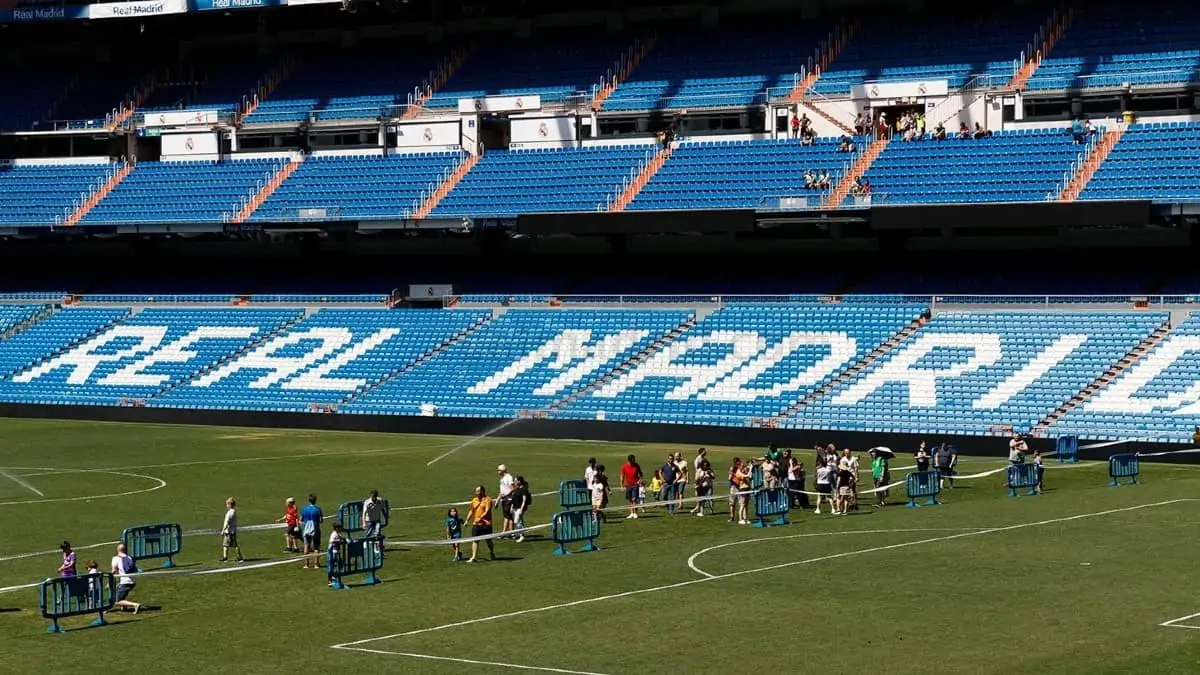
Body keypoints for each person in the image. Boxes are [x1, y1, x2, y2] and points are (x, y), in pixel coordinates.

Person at [465, 485, 495, 563]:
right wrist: (467, 520)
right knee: (475, 540)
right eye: (476, 491)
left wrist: (480, 518)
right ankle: (474, 557)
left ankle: (492, 552)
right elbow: (471, 511)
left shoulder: (488, 499)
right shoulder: (474, 500)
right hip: (476, 524)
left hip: (486, 524)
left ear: (482, 491)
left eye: (478, 491)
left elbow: (487, 510)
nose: (477, 493)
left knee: (488, 541)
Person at [110, 543, 142, 613]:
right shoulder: (130, 557)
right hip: (133, 581)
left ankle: (135, 605)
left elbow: (113, 571)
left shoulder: (115, 558)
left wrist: (109, 580)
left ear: (117, 550)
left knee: (116, 601)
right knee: (120, 593)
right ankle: (124, 607)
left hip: (125, 581)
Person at [300, 493, 324, 570]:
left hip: (306, 528)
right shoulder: (318, 509)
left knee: (306, 546)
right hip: (315, 528)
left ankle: (306, 564)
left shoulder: (304, 509)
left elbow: (301, 519)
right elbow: (321, 520)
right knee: (316, 547)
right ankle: (316, 564)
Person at [219, 497, 244, 564]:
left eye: (227, 504)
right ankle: (225, 557)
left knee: (234, 544)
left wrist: (223, 530)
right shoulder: (232, 511)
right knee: (225, 544)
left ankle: (239, 557)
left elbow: (227, 522)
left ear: (230, 505)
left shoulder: (231, 513)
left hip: (230, 531)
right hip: (229, 531)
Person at [362, 489, 386, 555]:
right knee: (368, 534)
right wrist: (364, 523)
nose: (374, 498)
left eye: (375, 496)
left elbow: (382, 509)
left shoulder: (380, 501)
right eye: (373, 496)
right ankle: (365, 543)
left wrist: (385, 515)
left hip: (377, 520)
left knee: (377, 533)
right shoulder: (367, 502)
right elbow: (364, 513)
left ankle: (376, 547)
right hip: (369, 520)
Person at [620, 454, 643, 519]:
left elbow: (640, 473)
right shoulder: (624, 466)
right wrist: (621, 486)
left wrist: (640, 480)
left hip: (635, 484)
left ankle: (635, 513)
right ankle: (631, 513)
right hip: (628, 485)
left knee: (634, 499)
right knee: (630, 500)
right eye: (633, 460)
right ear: (629, 460)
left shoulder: (636, 465)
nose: (634, 461)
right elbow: (622, 476)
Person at [511, 476, 532, 542]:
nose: (514, 482)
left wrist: (521, 509)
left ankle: (522, 533)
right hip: (515, 507)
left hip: (520, 508)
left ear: (519, 481)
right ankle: (521, 535)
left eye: (515, 480)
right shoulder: (517, 488)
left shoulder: (524, 489)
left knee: (516, 521)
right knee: (520, 521)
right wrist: (512, 506)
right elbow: (514, 498)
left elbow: (524, 500)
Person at [497, 464, 516, 538]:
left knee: (506, 516)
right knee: (510, 516)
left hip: (508, 499)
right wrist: (498, 499)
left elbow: (512, 488)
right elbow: (502, 490)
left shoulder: (508, 477)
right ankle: (512, 533)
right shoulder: (502, 478)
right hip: (504, 499)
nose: (497, 471)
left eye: (498, 470)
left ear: (502, 470)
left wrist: (506, 495)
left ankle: (504, 533)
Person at [326, 522, 345, 588]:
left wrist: (344, 540)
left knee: (340, 564)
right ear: (336, 528)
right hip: (332, 552)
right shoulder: (334, 534)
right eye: (340, 528)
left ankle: (334, 576)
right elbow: (332, 541)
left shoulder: (338, 534)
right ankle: (330, 580)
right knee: (331, 566)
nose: (341, 529)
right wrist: (340, 541)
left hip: (336, 552)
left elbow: (341, 539)